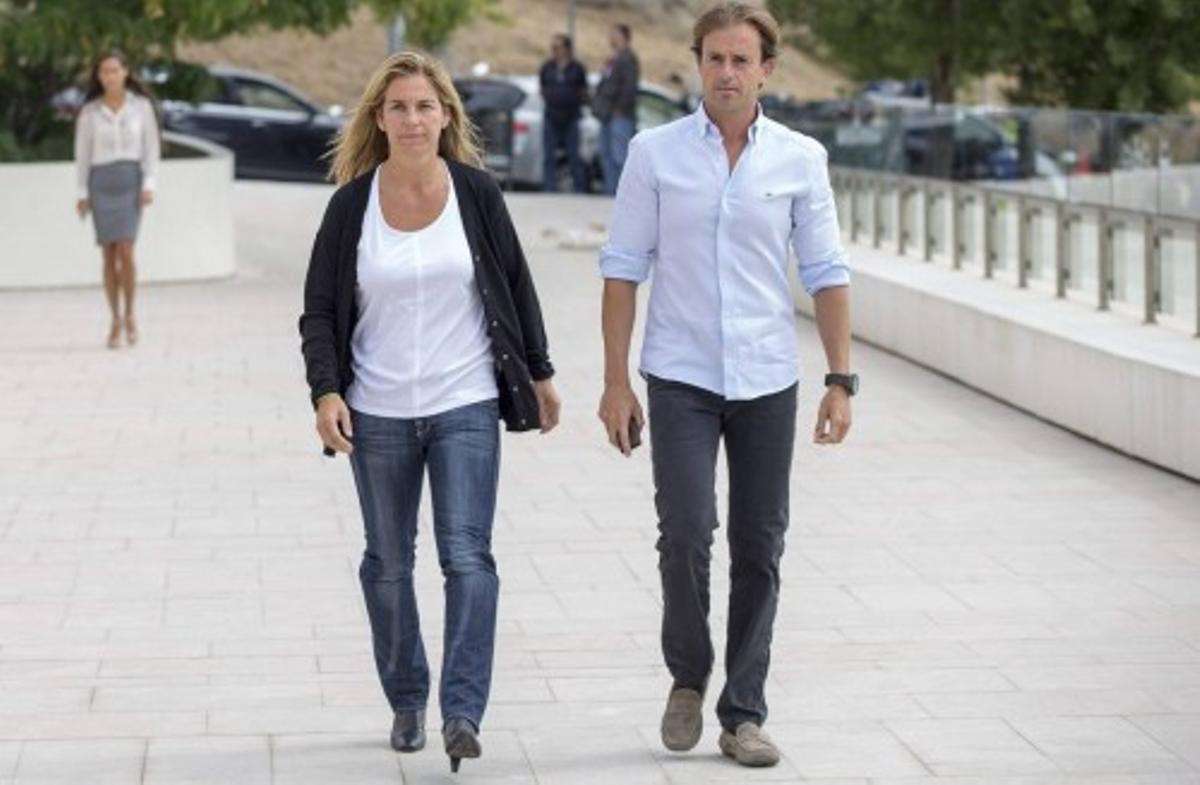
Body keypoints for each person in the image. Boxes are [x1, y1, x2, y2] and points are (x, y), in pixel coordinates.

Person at [596, 2, 857, 769]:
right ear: (698, 63)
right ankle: (688, 674)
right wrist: (615, 382)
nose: (727, 73)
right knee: (685, 529)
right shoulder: (654, 153)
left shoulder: (801, 159)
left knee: (760, 543)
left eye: (742, 60)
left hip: (767, 377)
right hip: (679, 373)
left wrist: (840, 380)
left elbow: (827, 272)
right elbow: (622, 269)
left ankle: (744, 711)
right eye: (715, 58)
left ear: (766, 70)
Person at [298, 51, 561, 773]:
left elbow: (515, 284)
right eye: (399, 107)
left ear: (445, 115)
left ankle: (462, 710)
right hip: (377, 410)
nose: (413, 119)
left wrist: (540, 372)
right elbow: (319, 310)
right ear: (379, 119)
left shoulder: (476, 192)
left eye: (424, 106)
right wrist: (326, 391)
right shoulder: (351, 206)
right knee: (387, 563)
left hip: (464, 401)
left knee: (467, 555)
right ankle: (408, 696)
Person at [73, 49, 160, 349]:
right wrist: (82, 192)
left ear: (125, 72)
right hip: (101, 182)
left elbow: (151, 148)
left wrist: (149, 183)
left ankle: (131, 312)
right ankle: (115, 319)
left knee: (126, 250)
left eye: (114, 70)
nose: (109, 76)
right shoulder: (90, 112)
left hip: (130, 181)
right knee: (109, 255)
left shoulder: (141, 107)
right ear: (98, 76)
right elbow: (82, 154)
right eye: (104, 72)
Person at [592, 23, 639, 195]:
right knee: (606, 156)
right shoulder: (613, 60)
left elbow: (630, 87)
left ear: (625, 37)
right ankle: (610, 193)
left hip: (620, 116)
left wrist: (620, 108)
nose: (611, 38)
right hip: (606, 115)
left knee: (620, 157)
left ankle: (625, 194)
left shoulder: (628, 59)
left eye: (615, 34)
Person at [538, 33, 589, 193]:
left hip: (571, 117)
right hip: (551, 117)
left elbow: (583, 91)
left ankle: (579, 189)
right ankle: (549, 189)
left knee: (574, 155)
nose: (554, 50)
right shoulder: (547, 67)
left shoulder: (577, 68)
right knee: (549, 156)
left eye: (557, 47)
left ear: (567, 49)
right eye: (553, 47)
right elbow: (542, 89)